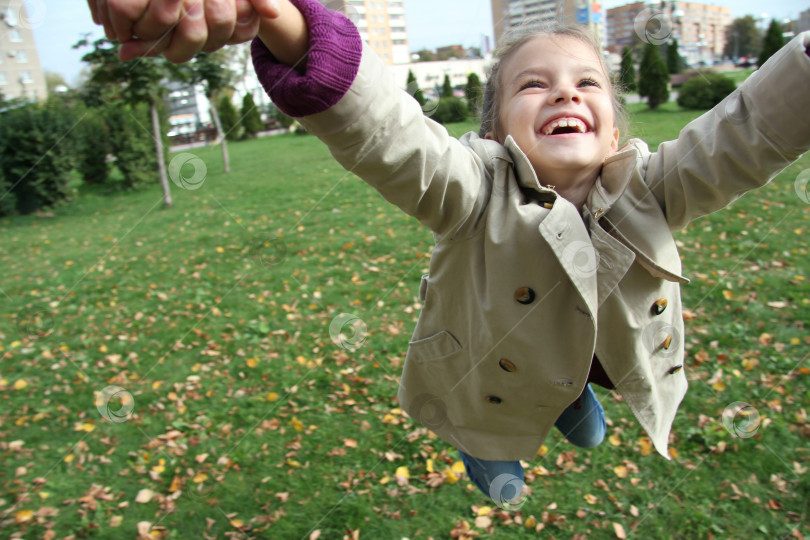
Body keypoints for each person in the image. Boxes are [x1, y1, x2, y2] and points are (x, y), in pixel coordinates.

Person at [89, 0, 810, 509]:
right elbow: (391, 133)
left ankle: (572, 400)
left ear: (615, 126)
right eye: (535, 85)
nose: (565, 90)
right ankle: (487, 444)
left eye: (587, 83)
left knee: (581, 397)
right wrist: (293, 26)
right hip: (486, 372)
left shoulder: (657, 186)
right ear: (497, 127)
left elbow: (745, 133)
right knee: (496, 427)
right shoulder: (470, 187)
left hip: (598, 348)